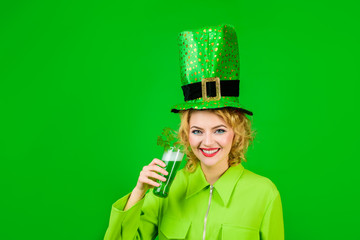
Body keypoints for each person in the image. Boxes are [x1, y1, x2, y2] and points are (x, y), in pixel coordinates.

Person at [104, 24, 284, 240]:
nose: (207, 142)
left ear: (236, 133)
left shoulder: (264, 193)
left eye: (219, 130)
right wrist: (139, 191)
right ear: (186, 134)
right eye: (197, 131)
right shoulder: (167, 188)